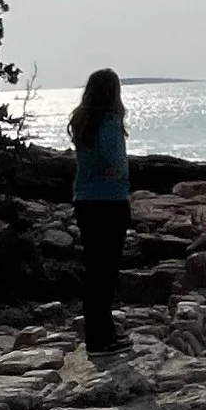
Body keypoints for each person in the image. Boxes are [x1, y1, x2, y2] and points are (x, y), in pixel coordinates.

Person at [68, 68, 131, 353]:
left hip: (85, 200)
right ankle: (101, 337)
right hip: (109, 202)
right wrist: (118, 173)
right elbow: (118, 162)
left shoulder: (83, 122)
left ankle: (99, 332)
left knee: (95, 270)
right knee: (105, 271)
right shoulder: (108, 123)